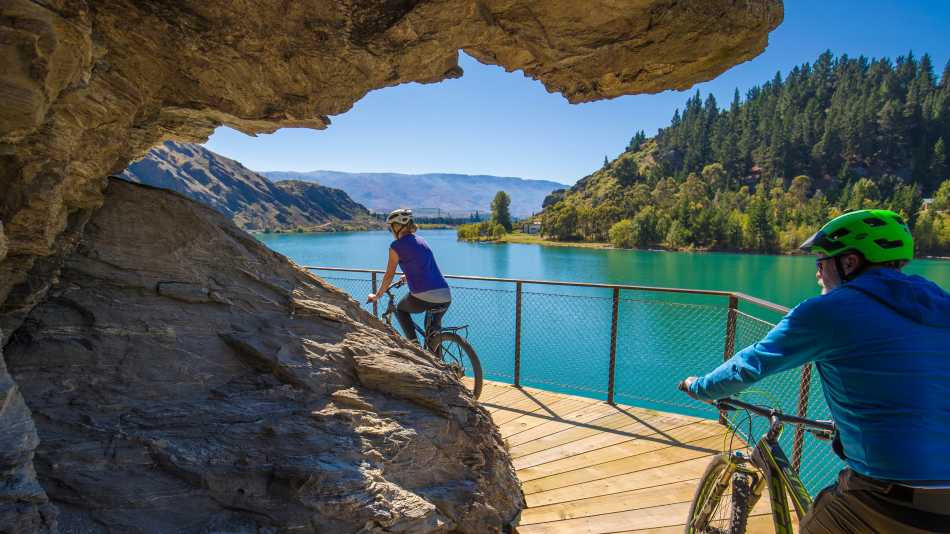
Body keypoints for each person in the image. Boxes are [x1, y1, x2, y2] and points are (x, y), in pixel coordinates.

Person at [678, 209, 950, 533]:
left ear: (849, 263)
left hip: (889, 495)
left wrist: (699, 387)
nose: (818, 273)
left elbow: (750, 364)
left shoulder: (828, 312)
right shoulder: (940, 303)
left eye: (821, 262)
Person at [367, 209, 451, 347]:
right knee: (432, 337)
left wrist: (377, 295)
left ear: (397, 226)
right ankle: (437, 361)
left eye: (391, 227)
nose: (391, 231)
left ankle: (414, 347)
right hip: (445, 295)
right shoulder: (421, 240)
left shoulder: (396, 247)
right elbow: (424, 265)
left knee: (400, 309)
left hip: (424, 296)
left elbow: (389, 275)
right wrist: (407, 275)